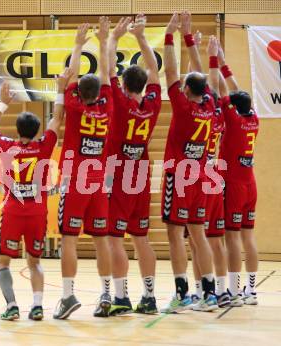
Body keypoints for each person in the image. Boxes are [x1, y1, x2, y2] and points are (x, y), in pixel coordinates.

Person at [0, 70, 71, 321]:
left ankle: (12, 306)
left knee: (3, 263)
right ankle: (37, 307)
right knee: (34, 262)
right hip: (37, 213)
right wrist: (60, 89)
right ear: (35, 131)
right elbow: (57, 120)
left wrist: (3, 103)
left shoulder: (6, 145)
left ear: (17, 129)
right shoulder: (43, 145)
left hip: (13, 212)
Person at [53, 17, 113, 319]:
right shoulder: (108, 105)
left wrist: (78, 44)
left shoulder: (73, 106)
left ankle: (67, 296)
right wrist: (104, 41)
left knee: (69, 238)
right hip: (99, 182)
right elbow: (107, 72)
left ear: (78, 93)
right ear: (99, 94)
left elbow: (71, 74)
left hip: (74, 180)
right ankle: (106, 294)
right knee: (101, 239)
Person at [160, 12, 218, 313]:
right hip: (200, 177)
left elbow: (170, 70)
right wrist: (190, 41)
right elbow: (201, 76)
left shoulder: (183, 107)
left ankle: (182, 293)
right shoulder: (210, 105)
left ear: (185, 91)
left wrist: (170, 35)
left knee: (174, 234)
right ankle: (209, 293)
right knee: (198, 233)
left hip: (179, 176)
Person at [106, 14, 161, 315]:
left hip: (119, 174)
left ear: (125, 84)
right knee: (142, 238)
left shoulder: (120, 102)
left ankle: (121, 297)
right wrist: (141, 37)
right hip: (142, 172)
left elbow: (106, 67)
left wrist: (114, 38)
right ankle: (149, 297)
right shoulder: (151, 104)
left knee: (115, 238)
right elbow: (154, 70)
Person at [187, 35, 230, 308]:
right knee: (214, 239)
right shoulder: (219, 112)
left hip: (198, 176)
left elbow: (205, 84)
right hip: (216, 175)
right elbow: (212, 84)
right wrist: (213, 57)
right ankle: (222, 290)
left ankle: (204, 291)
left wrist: (192, 43)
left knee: (195, 239)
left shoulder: (192, 111)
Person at [217, 45, 260, 306]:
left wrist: (216, 61)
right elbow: (237, 93)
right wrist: (226, 65)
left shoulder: (232, 120)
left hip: (234, 185)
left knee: (231, 237)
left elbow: (224, 92)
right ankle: (251, 291)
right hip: (250, 184)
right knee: (248, 237)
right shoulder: (254, 118)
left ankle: (233, 290)